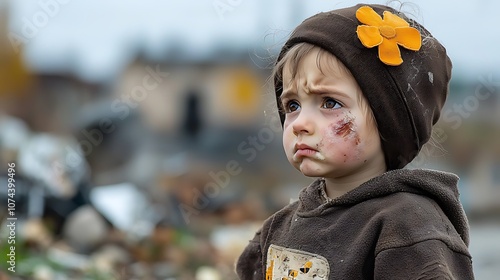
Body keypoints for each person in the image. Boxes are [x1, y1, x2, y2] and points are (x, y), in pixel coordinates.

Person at [236, 3, 474, 279]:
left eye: (329, 102)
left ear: (389, 121)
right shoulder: (280, 227)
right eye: (292, 106)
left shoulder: (408, 230)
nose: (299, 123)